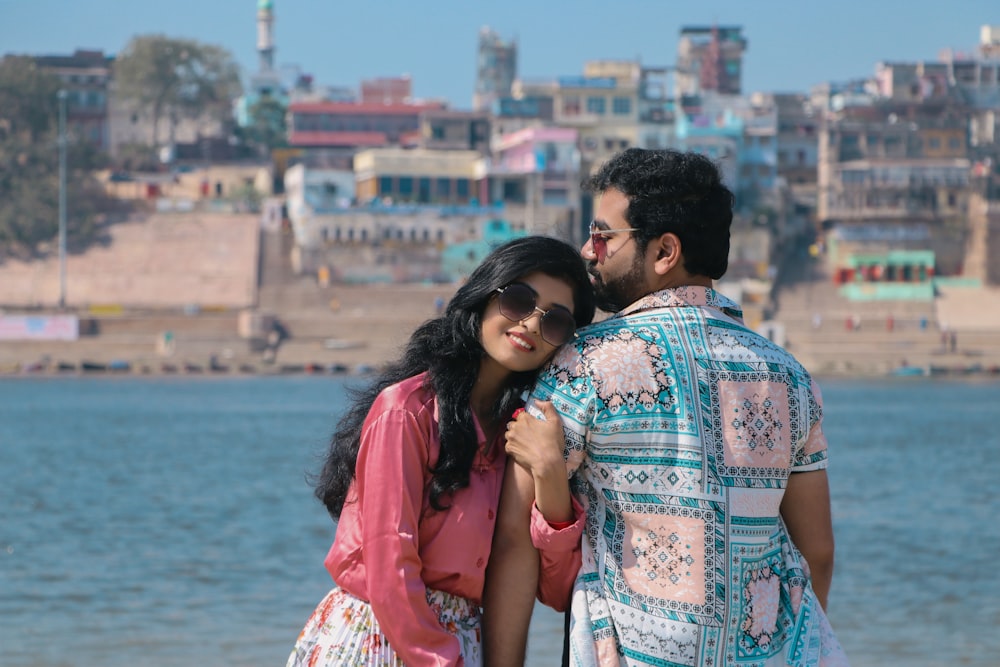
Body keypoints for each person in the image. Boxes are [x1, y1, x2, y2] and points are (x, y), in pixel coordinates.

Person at [484, 148, 849, 666]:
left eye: (604, 235)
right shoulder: (789, 377)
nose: (589, 251)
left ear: (664, 252)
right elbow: (818, 555)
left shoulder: (583, 366)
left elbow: (515, 544)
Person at [285, 236, 596, 667]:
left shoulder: (524, 433)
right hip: (378, 639)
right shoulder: (406, 411)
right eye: (520, 300)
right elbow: (389, 563)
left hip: (462, 645)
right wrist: (442, 659)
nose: (529, 324)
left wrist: (549, 476)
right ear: (485, 295)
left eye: (555, 321)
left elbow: (559, 591)